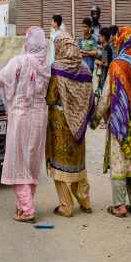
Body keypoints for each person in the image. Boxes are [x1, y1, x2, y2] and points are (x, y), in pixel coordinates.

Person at [0, 27, 50, 223]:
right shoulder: (46, 66)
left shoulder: (20, 61)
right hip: (40, 117)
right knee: (31, 163)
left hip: (21, 115)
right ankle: (23, 206)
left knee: (17, 162)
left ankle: (27, 209)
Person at [94, 27, 131, 218]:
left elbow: (106, 96)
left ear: (122, 43)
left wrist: (96, 117)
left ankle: (120, 206)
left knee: (119, 162)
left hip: (120, 121)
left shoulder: (117, 66)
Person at [45, 34, 94, 218]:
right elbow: (90, 99)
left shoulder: (56, 69)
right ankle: (85, 200)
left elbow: (50, 97)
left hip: (60, 124)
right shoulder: (86, 69)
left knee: (60, 165)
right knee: (78, 164)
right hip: (79, 125)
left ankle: (66, 206)